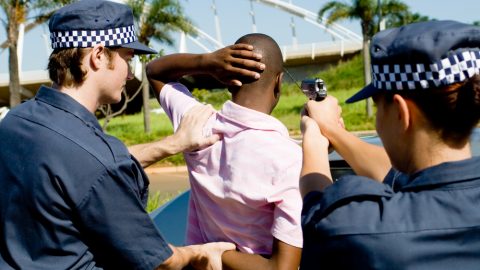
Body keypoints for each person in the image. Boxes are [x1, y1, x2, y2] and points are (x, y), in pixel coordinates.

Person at [0, 1, 263, 269]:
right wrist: (199, 253)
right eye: (128, 58)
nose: (130, 73)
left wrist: (175, 143)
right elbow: (159, 260)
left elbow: (81, 170)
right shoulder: (96, 159)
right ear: (99, 55)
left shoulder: (16, 122)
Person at [299, 20, 480, 269]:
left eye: (378, 107)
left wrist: (313, 139)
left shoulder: (359, 228)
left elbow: (317, 211)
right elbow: (402, 174)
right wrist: (332, 130)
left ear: (400, 112)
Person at [146, 33, 303, 269]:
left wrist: (206, 62)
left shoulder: (197, 124)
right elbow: (282, 267)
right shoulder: (289, 158)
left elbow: (155, 72)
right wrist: (215, 254)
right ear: (279, 82)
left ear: (227, 80)